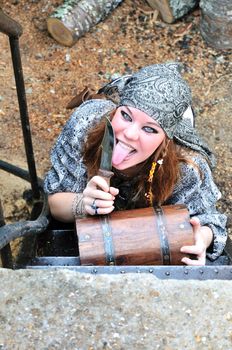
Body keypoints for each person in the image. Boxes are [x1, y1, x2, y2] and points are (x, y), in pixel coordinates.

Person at [44, 62, 227, 266]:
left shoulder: (187, 167)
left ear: (166, 140)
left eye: (149, 129)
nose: (129, 134)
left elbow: (211, 222)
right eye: (125, 115)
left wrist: (201, 237)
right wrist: (83, 204)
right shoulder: (86, 125)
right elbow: (55, 204)